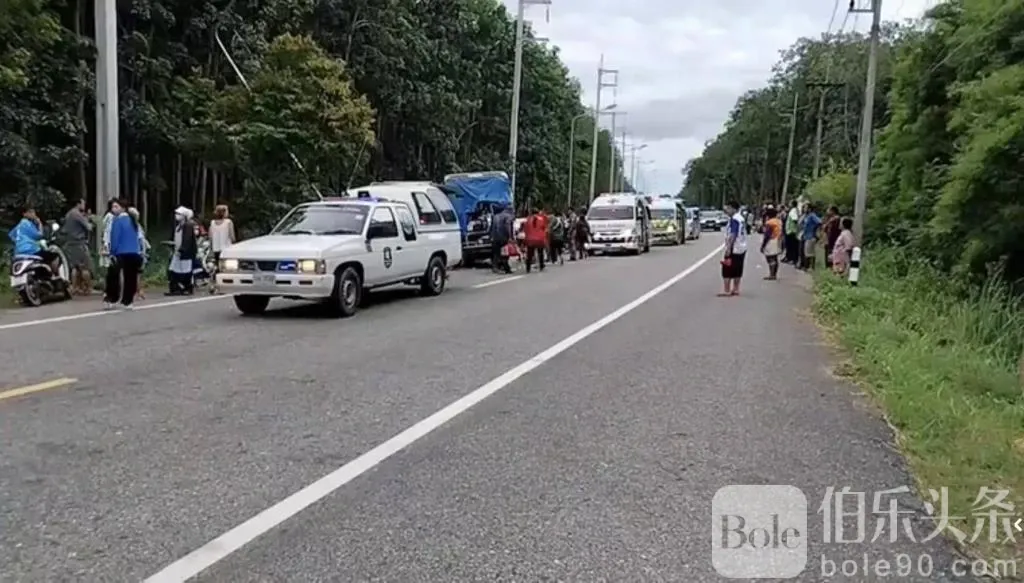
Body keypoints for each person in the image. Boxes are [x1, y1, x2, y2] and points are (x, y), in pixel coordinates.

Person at [104, 201, 143, 310]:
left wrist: (112, 252)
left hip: (121, 252)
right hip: (134, 252)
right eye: (112, 207)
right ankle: (128, 301)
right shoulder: (133, 221)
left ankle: (112, 298)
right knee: (131, 278)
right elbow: (139, 237)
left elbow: (114, 238)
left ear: (123, 208)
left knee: (113, 276)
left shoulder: (117, 221)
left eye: (116, 206)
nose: (113, 209)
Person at [8, 207, 58, 273]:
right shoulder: (27, 223)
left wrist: (19, 242)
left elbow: (11, 235)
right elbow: (39, 236)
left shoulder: (19, 225)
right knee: (54, 256)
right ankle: (54, 274)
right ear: (24, 214)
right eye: (30, 212)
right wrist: (39, 224)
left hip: (18, 251)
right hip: (31, 250)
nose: (33, 214)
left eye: (34, 212)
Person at [63, 198, 94, 295]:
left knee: (74, 268)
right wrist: (89, 219)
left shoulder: (68, 214)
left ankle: (75, 287)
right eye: (83, 203)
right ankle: (88, 288)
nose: (84, 205)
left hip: (70, 243)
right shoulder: (77, 214)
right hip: (79, 243)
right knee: (85, 267)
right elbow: (88, 227)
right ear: (78, 204)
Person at [718, 200, 747, 296]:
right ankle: (736, 288)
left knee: (727, 268)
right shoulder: (741, 218)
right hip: (741, 246)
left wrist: (729, 248)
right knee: (738, 268)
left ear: (733, 209)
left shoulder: (734, 219)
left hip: (734, 247)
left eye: (728, 208)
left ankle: (727, 290)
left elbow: (733, 234)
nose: (726, 210)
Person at [167, 206, 198, 295]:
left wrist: (182, 249)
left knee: (186, 270)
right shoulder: (178, 226)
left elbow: (187, 239)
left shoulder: (188, 225)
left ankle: (187, 288)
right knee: (173, 270)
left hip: (185, 253)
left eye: (179, 214)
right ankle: (175, 288)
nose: (176, 215)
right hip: (177, 252)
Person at [208, 204, 236, 292]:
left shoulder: (212, 223)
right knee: (227, 268)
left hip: (216, 248)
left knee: (217, 267)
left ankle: (215, 285)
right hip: (227, 249)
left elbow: (210, 237)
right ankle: (226, 284)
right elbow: (232, 236)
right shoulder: (228, 222)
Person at [126, 206, 151, 300]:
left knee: (132, 274)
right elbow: (141, 240)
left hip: (131, 252)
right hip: (137, 252)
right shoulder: (136, 226)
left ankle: (136, 291)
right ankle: (139, 291)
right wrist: (143, 252)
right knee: (137, 274)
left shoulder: (130, 226)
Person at [489, 204, 514, 274]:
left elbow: (492, 228)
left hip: (495, 237)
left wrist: (491, 236)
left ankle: (495, 267)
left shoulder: (495, 216)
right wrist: (510, 236)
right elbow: (507, 226)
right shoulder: (508, 216)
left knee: (496, 253)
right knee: (505, 253)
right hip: (503, 237)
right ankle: (506, 268)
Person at [522, 206, 548, 273]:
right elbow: (544, 228)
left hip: (530, 239)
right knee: (540, 253)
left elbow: (525, 229)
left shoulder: (528, 219)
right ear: (538, 212)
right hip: (540, 239)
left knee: (529, 254)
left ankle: (528, 268)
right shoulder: (541, 219)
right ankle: (541, 266)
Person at [760, 206, 783, 281]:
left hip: (771, 240)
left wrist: (763, 245)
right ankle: (774, 274)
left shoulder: (770, 223)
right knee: (775, 258)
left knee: (770, 258)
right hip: (778, 239)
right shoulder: (779, 221)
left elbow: (767, 235)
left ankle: (771, 274)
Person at [800, 203, 822, 270]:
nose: (804, 209)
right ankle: (807, 266)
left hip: (811, 235)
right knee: (807, 252)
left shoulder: (812, 215)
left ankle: (811, 267)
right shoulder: (806, 216)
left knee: (810, 252)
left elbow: (819, 222)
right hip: (806, 236)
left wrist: (815, 230)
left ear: (809, 209)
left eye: (806, 208)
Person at [99, 198, 120, 269]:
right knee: (107, 255)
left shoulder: (118, 217)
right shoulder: (108, 215)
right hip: (107, 238)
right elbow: (103, 225)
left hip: (114, 238)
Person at [822, 205, 841, 270]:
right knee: (827, 252)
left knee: (831, 252)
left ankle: (831, 266)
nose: (827, 211)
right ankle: (828, 266)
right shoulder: (829, 218)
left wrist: (826, 224)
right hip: (828, 238)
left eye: (829, 210)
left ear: (833, 211)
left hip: (833, 238)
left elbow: (827, 226)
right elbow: (824, 228)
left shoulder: (836, 218)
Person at [783, 200, 800, 264]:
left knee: (791, 246)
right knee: (790, 246)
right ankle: (789, 258)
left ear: (792, 204)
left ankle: (792, 259)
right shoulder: (794, 210)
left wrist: (795, 227)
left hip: (791, 231)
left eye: (790, 203)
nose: (789, 204)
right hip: (790, 231)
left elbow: (795, 219)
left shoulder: (793, 211)